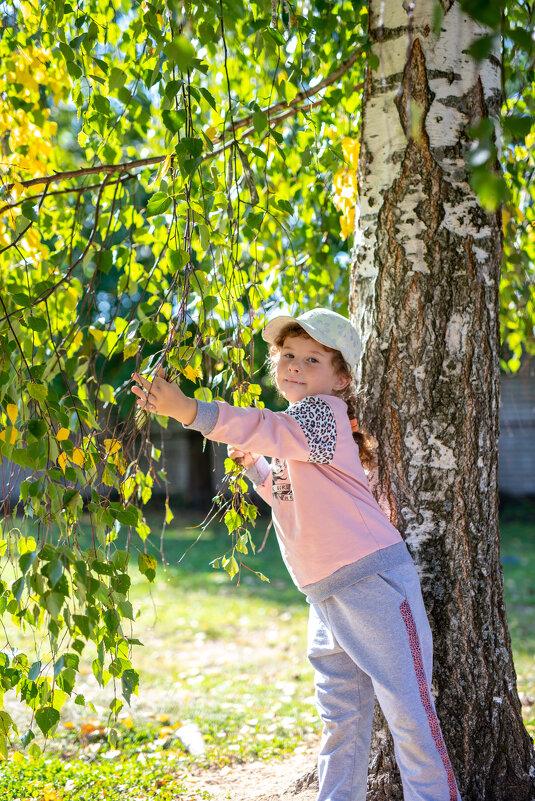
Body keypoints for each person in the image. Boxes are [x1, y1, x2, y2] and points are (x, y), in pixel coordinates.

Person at [131, 308, 461, 801]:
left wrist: (187, 411)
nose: (294, 366)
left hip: (372, 583)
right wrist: (261, 470)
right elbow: (288, 496)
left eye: (311, 358)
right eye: (287, 355)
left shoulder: (322, 413)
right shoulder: (300, 433)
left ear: (340, 377)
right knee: (340, 722)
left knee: (409, 714)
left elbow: (264, 424)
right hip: (326, 596)